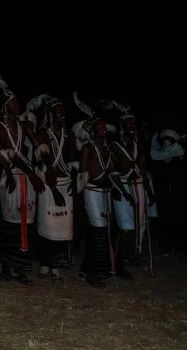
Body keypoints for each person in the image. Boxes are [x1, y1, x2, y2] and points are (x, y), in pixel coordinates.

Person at [0, 50, 45, 285]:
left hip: (26, 179)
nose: (18, 105)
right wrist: (12, 174)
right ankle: (8, 267)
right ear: (5, 107)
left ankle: (21, 267)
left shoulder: (23, 126)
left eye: (18, 102)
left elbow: (37, 146)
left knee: (26, 224)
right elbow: (7, 155)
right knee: (9, 225)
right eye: (14, 103)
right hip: (12, 178)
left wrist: (34, 138)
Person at [72, 93, 123, 287]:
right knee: (97, 231)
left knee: (105, 230)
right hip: (92, 192)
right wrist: (94, 186)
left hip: (105, 192)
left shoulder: (107, 149)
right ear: (93, 130)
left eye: (104, 126)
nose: (102, 129)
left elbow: (111, 171)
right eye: (99, 126)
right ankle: (93, 271)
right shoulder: (88, 148)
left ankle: (92, 268)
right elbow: (84, 173)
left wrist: (117, 188)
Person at [27, 94, 78, 280]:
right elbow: (44, 166)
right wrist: (55, 190)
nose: (62, 113)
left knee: (63, 227)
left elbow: (73, 162)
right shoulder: (42, 134)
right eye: (58, 111)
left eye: (63, 110)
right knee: (48, 225)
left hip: (66, 184)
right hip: (49, 186)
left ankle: (56, 263)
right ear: (50, 114)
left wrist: (74, 183)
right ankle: (44, 263)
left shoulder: (69, 134)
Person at [105, 101, 155, 273]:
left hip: (139, 187)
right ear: (122, 126)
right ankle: (118, 264)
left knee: (139, 224)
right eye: (128, 124)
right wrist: (123, 194)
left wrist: (149, 192)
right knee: (126, 227)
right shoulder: (115, 146)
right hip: (123, 188)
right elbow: (112, 172)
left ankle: (131, 256)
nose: (132, 126)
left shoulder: (138, 145)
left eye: (134, 123)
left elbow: (142, 169)